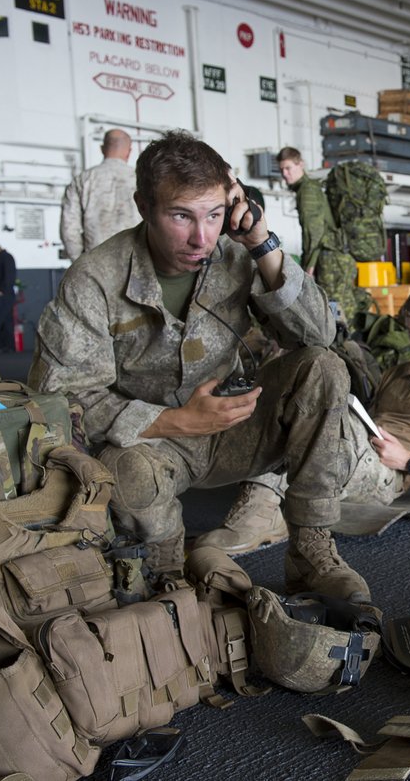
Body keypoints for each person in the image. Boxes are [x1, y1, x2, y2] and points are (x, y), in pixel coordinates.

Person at [29, 131, 369, 602]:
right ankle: (168, 570)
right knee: (125, 472)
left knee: (324, 369)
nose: (201, 237)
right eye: (181, 216)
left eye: (213, 215)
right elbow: (62, 400)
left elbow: (316, 338)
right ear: (144, 206)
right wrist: (175, 421)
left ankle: (310, 549)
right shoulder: (95, 279)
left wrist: (259, 239)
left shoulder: (233, 254)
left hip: (233, 428)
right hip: (155, 445)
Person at [201, 281, 410, 544]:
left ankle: (259, 513)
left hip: (390, 472)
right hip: (360, 448)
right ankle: (257, 503)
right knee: (295, 409)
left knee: (310, 426)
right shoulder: (398, 372)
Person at [278, 147, 361, 325]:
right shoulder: (309, 188)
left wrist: (309, 266)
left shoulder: (307, 191)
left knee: (335, 314)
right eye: (282, 170)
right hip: (334, 257)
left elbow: (313, 233)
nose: (285, 174)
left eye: (288, 168)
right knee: (338, 310)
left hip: (329, 259)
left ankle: (346, 350)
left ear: (301, 164)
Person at [60, 129, 140, 260]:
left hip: (95, 264)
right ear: (129, 152)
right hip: (136, 263)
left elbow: (69, 229)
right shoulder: (141, 180)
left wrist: (80, 264)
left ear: (102, 149)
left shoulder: (82, 180)